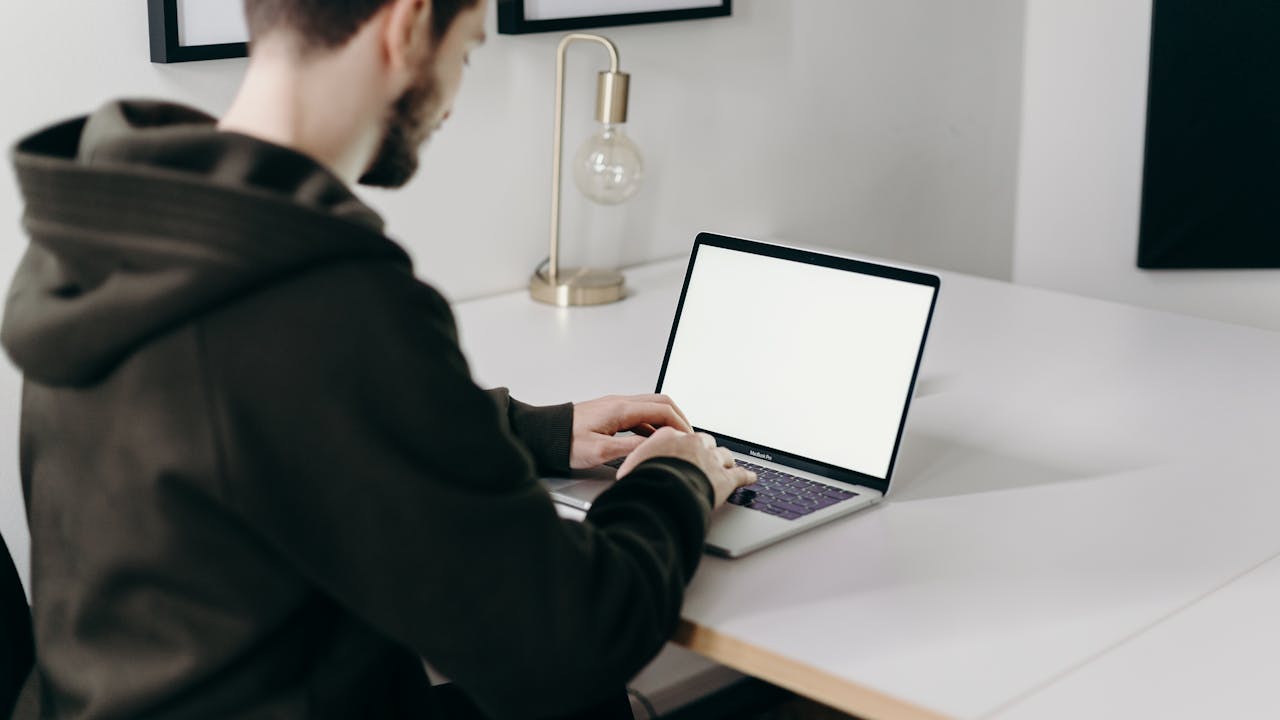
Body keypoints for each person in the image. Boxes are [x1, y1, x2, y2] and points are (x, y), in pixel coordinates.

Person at [1, 0, 756, 717]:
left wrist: (532, 431)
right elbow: (571, 640)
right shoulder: (329, 300)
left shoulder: (118, 234)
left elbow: (230, 422)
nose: (454, 101)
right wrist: (676, 477)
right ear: (407, 24)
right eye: (465, 52)